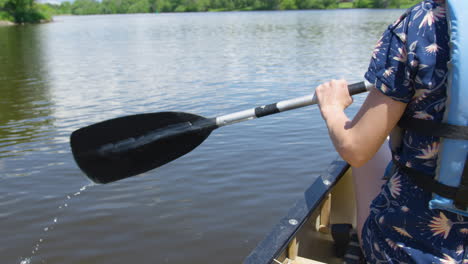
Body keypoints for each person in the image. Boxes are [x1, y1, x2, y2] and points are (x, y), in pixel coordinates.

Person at [315, 0, 468, 263]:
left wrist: (332, 107)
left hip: (416, 251)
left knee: (370, 150)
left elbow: (356, 148)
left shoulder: (423, 23)